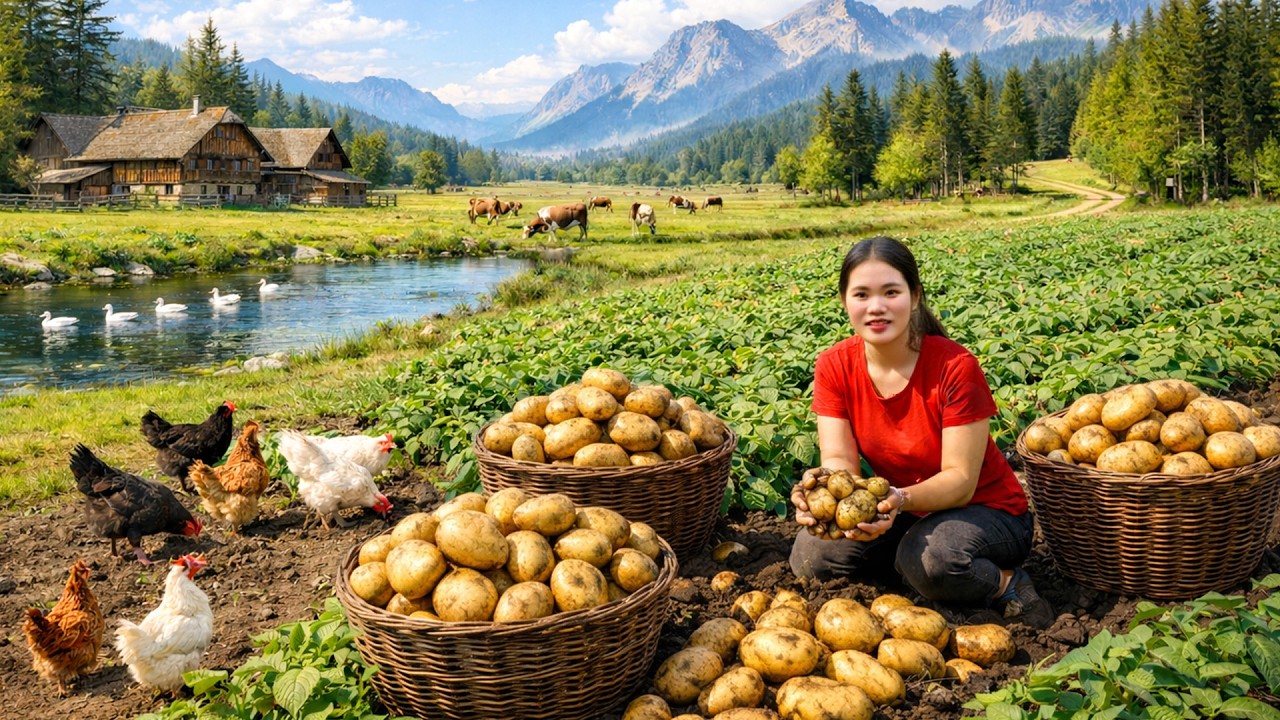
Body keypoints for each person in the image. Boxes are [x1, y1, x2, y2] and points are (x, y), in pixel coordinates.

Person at [789, 236, 1053, 629]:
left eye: (890, 292)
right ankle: (915, 569)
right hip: (908, 512)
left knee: (932, 560)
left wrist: (897, 499)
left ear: (914, 297)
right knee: (813, 555)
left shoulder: (954, 367)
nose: (876, 307)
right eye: (861, 294)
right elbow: (840, 460)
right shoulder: (834, 365)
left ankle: (1005, 583)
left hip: (987, 512)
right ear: (845, 301)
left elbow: (960, 481)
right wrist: (823, 494)